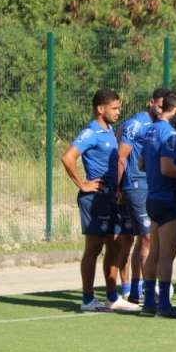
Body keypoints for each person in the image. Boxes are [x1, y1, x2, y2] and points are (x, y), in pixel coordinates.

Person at [61, 89, 138, 312]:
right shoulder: (91, 132)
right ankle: (87, 299)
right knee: (94, 249)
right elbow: (68, 157)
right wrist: (82, 184)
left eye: (119, 107)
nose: (118, 112)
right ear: (100, 109)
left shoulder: (109, 130)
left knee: (114, 246)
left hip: (111, 197)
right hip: (94, 199)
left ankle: (112, 297)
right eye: (114, 108)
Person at [140, 90, 176, 319]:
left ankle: (149, 302)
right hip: (169, 200)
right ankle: (164, 305)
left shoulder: (150, 130)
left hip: (152, 197)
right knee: (166, 255)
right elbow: (167, 168)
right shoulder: (170, 134)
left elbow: (142, 164)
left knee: (154, 253)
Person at [115, 88, 166, 304]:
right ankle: (143, 288)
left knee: (141, 238)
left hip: (149, 186)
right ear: (151, 102)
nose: (163, 110)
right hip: (135, 186)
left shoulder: (159, 125)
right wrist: (118, 188)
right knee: (146, 237)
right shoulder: (136, 123)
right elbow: (121, 157)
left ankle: (134, 290)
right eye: (161, 106)